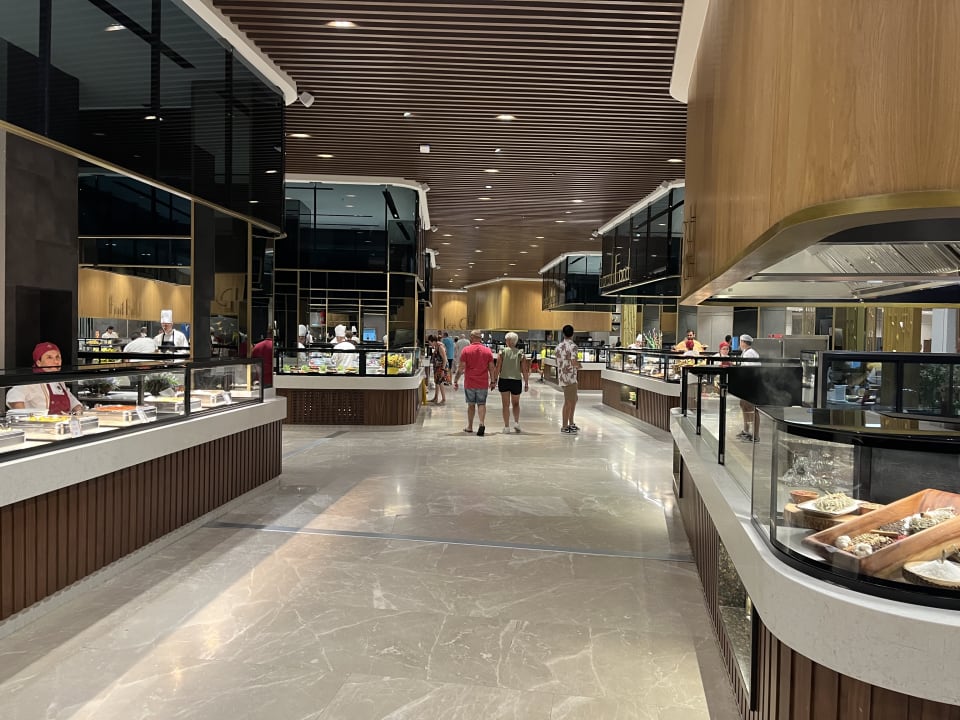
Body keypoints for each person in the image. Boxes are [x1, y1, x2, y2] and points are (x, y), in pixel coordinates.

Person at [6, 342, 83, 414]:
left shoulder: (59, 381)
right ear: (39, 363)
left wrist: (78, 409)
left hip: (62, 422)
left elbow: (70, 399)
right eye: (49, 357)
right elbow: (13, 397)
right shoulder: (32, 380)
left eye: (58, 357)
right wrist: (24, 418)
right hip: (39, 423)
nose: (56, 361)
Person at [453, 329, 495, 436]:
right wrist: (493, 381)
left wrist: (456, 380)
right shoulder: (487, 351)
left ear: (472, 337)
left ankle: (470, 426)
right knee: (482, 403)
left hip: (470, 382)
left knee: (471, 405)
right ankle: (481, 423)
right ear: (480, 338)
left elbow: (461, 368)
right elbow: (491, 367)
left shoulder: (466, 350)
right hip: (483, 382)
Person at [492, 331, 530, 433]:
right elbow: (524, 370)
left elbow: (497, 367)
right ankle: (516, 422)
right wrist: (526, 383)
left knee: (505, 404)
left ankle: (506, 427)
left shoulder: (502, 352)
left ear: (508, 341)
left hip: (504, 380)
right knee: (516, 403)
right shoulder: (521, 353)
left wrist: (494, 380)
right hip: (516, 381)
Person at [556, 324, 582, 434]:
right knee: (568, 402)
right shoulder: (573, 346)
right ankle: (564, 426)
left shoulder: (558, 346)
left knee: (573, 399)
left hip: (562, 376)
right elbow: (573, 361)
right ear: (572, 334)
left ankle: (571, 423)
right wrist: (579, 366)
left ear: (563, 334)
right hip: (570, 377)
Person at [737, 334, 760, 442]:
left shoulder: (750, 353)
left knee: (752, 408)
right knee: (743, 405)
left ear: (743, 342)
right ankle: (746, 430)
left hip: (751, 384)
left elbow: (751, 369)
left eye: (740, 342)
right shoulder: (746, 352)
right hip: (746, 384)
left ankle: (755, 435)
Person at [427, 334, 448, 404]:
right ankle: (435, 398)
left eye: (430, 342)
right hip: (437, 367)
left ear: (433, 341)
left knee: (440, 382)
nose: (429, 344)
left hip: (441, 367)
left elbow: (445, 359)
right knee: (436, 382)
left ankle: (443, 399)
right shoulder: (436, 346)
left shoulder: (440, 347)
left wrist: (443, 370)